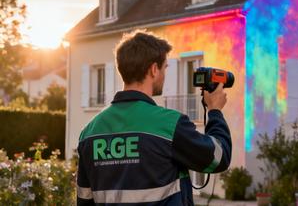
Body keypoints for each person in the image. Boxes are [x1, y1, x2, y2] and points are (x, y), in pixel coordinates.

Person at [76, 31, 231, 205]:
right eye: (165, 67)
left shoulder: (89, 133)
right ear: (153, 69)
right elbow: (219, 158)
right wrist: (215, 111)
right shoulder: (170, 125)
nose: (165, 75)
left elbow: (84, 200)